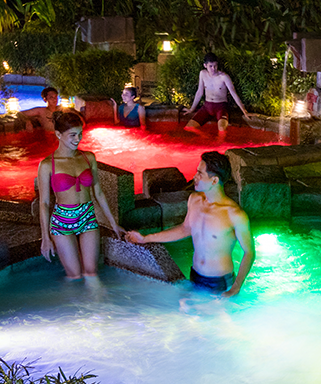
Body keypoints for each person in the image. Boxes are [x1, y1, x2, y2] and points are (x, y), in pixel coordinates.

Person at [125, 151, 253, 297]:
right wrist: (145, 238)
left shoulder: (235, 214)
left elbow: (249, 252)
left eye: (200, 174)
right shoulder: (194, 200)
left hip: (219, 283)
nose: (194, 177)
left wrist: (235, 287)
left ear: (214, 181)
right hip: (195, 276)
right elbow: (184, 229)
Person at [36, 111, 122, 280]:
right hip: (62, 221)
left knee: (91, 273)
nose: (78, 139)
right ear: (58, 134)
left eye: (80, 134)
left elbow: (98, 192)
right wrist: (45, 238)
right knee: (74, 276)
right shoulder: (47, 165)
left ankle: (96, 305)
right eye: (72, 135)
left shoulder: (88, 157)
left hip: (88, 216)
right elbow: (44, 203)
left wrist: (114, 224)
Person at [184, 53, 250, 133]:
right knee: (189, 128)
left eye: (215, 66)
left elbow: (233, 94)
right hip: (207, 107)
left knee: (222, 130)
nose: (213, 69)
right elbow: (199, 92)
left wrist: (244, 110)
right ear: (205, 65)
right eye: (210, 66)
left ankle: (219, 143)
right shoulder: (203, 74)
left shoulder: (224, 77)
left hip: (221, 107)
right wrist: (192, 109)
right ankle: (206, 138)